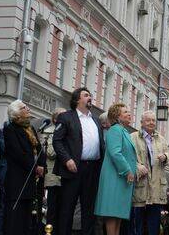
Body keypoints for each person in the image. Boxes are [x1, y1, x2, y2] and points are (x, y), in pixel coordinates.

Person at [53, 87, 105, 235]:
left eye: (90, 95)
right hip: (73, 168)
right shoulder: (67, 117)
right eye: (86, 95)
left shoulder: (95, 120)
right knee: (67, 207)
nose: (90, 97)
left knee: (89, 208)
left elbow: (101, 145)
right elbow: (57, 141)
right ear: (77, 99)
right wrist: (67, 159)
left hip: (93, 168)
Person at [3, 100, 47, 234]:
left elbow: (39, 148)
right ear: (16, 115)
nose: (28, 108)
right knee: (15, 218)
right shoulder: (10, 129)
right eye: (23, 108)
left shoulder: (30, 128)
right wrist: (35, 167)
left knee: (27, 218)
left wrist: (42, 165)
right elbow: (18, 153)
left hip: (31, 181)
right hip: (18, 180)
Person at [93, 103, 136, 235]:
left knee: (118, 214)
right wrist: (127, 170)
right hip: (115, 176)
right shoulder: (115, 130)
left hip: (121, 178)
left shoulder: (124, 131)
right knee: (112, 213)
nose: (129, 114)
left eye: (129, 111)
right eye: (125, 112)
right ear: (117, 116)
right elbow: (115, 153)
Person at [129, 111, 169, 235]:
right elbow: (128, 157)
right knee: (137, 224)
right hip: (140, 186)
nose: (151, 123)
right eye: (148, 120)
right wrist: (137, 167)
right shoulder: (133, 137)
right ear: (141, 122)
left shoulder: (161, 139)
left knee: (154, 225)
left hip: (156, 189)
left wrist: (165, 156)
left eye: (153, 120)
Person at [42, 108, 65, 229]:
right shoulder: (48, 132)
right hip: (53, 178)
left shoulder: (69, 132)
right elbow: (50, 152)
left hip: (66, 177)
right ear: (55, 119)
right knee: (52, 210)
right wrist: (62, 143)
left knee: (64, 210)